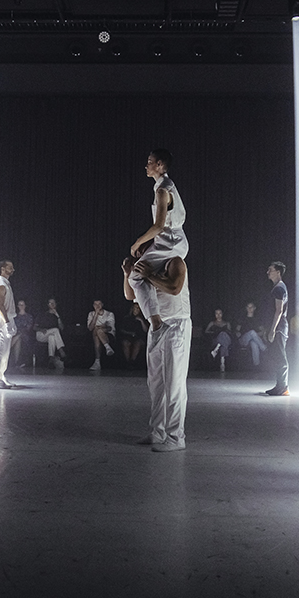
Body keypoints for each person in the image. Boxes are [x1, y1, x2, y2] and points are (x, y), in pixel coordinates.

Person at [124, 253, 191, 452]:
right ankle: (158, 432)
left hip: (176, 324)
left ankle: (175, 437)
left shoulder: (175, 262)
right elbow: (131, 296)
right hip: (157, 326)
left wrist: (151, 275)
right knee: (156, 383)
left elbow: (174, 288)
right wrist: (128, 273)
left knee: (174, 383)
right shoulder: (147, 264)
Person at [128, 149, 188, 349]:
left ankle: (155, 322)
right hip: (168, 241)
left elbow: (160, 225)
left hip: (169, 242)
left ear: (160, 164)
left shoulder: (163, 189)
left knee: (135, 276)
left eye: (150, 161)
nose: (146, 165)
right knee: (138, 274)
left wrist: (138, 242)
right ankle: (155, 316)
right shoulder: (164, 186)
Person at [263, 262, 290, 396]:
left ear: (278, 272)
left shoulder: (279, 289)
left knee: (280, 357)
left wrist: (273, 329)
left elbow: (279, 311)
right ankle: (280, 385)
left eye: (270, 269)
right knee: (277, 356)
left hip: (279, 327)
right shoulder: (278, 288)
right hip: (279, 327)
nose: (268, 272)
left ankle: (283, 386)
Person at [0, 260, 17, 389]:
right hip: (1, 320)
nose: (12, 269)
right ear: (2, 269)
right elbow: (0, 305)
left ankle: (1, 376)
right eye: (9, 267)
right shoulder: (0, 285)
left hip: (6, 319)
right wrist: (6, 322)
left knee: (5, 351)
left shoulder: (6, 284)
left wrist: (10, 321)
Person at [34, 298, 66, 369]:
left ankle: (51, 359)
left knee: (52, 336)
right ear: (48, 305)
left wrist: (57, 316)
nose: (52, 305)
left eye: (53, 303)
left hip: (51, 335)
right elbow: (34, 328)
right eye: (50, 303)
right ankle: (61, 350)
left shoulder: (58, 316)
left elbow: (62, 328)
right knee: (55, 330)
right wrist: (41, 329)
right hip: (41, 334)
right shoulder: (42, 314)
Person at [87, 299, 116, 371]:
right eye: (95, 304)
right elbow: (90, 328)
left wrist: (101, 328)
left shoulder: (109, 314)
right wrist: (96, 314)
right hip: (96, 335)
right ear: (93, 306)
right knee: (96, 331)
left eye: (99, 304)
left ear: (102, 305)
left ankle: (97, 361)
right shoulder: (91, 314)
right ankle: (107, 347)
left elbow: (110, 328)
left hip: (108, 335)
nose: (97, 306)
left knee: (97, 330)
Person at [236, 301, 266, 367]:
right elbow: (237, 330)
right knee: (252, 332)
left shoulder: (257, 319)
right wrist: (237, 333)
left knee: (254, 343)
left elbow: (263, 331)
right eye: (248, 307)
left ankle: (256, 365)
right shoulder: (242, 318)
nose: (250, 309)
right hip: (243, 340)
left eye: (251, 307)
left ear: (254, 308)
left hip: (253, 339)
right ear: (246, 308)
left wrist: (258, 334)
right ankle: (264, 348)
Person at [11, 299, 34, 368]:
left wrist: (20, 332)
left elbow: (28, 327)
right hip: (16, 334)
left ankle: (9, 348)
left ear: (25, 306)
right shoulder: (14, 317)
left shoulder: (29, 316)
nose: (21, 306)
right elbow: (12, 327)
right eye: (20, 305)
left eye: (22, 305)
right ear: (17, 306)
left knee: (20, 337)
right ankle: (17, 362)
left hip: (25, 334)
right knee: (18, 339)